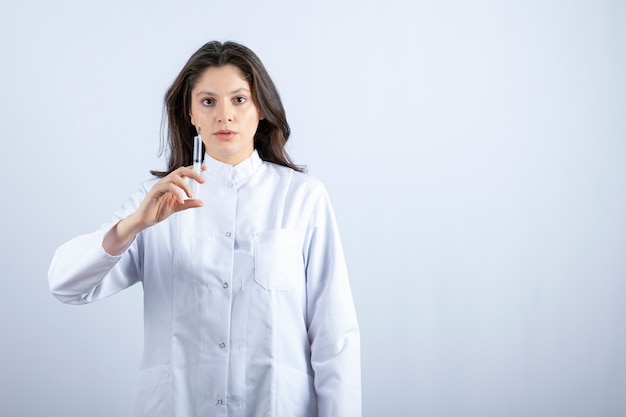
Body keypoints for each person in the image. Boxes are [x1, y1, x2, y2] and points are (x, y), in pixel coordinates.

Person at [48, 40, 361, 417]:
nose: (224, 116)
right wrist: (133, 224)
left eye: (239, 100)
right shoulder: (157, 200)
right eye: (208, 102)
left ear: (261, 108)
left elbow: (335, 337)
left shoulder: (303, 197)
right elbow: (64, 285)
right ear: (191, 113)